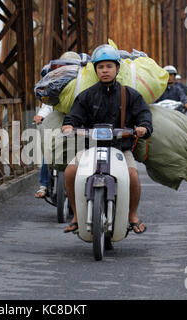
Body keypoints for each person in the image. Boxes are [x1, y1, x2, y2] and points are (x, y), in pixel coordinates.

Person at [61, 44, 153, 234]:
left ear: (117, 69)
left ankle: (132, 216)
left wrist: (143, 127)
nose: (105, 71)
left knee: (133, 176)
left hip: (120, 148)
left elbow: (144, 115)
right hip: (89, 149)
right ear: (95, 70)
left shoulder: (130, 95)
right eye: (101, 67)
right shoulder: (86, 96)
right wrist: (69, 126)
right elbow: (73, 117)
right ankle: (77, 215)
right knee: (70, 172)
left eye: (109, 66)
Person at [34, 51, 82, 198]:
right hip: (59, 120)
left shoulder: (83, 81)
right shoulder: (55, 81)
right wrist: (41, 116)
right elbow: (49, 103)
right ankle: (43, 184)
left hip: (78, 121)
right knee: (49, 150)